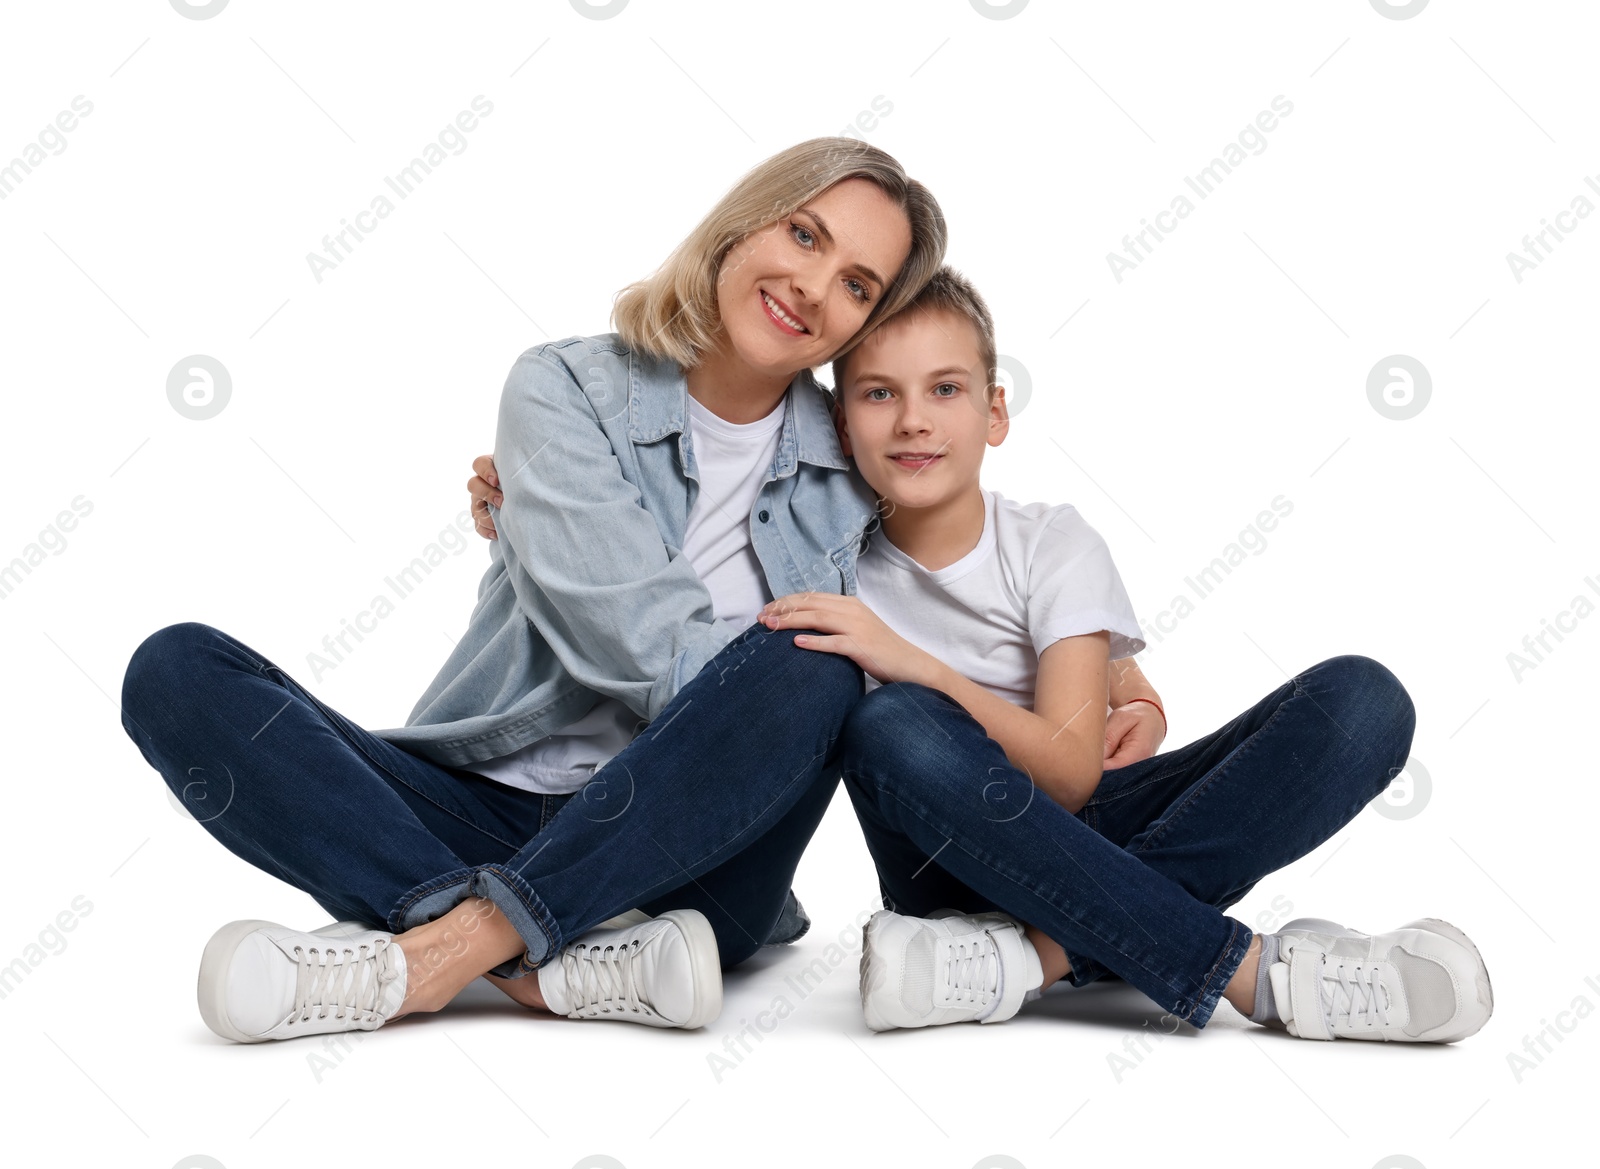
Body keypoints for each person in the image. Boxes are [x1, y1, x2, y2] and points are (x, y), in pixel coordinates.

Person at [119, 137, 970, 1043]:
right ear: (743, 224)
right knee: (177, 670)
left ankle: (432, 953)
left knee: (815, 666)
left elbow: (966, 573)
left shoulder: (858, 470)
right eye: (805, 235)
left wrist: (1089, 657)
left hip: (689, 852)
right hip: (481, 812)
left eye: (857, 284)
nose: (813, 286)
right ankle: (551, 956)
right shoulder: (564, 388)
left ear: (863, 327)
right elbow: (642, 644)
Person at [749, 264, 1495, 1042]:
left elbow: (1072, 777)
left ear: (994, 410)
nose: (913, 420)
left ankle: (1025, 961)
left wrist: (923, 660)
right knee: (891, 722)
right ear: (840, 426)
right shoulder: (825, 562)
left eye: (945, 389)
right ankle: (1262, 976)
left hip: (1083, 826)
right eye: (878, 393)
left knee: (1363, 701)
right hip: (945, 870)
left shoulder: (1052, 542)